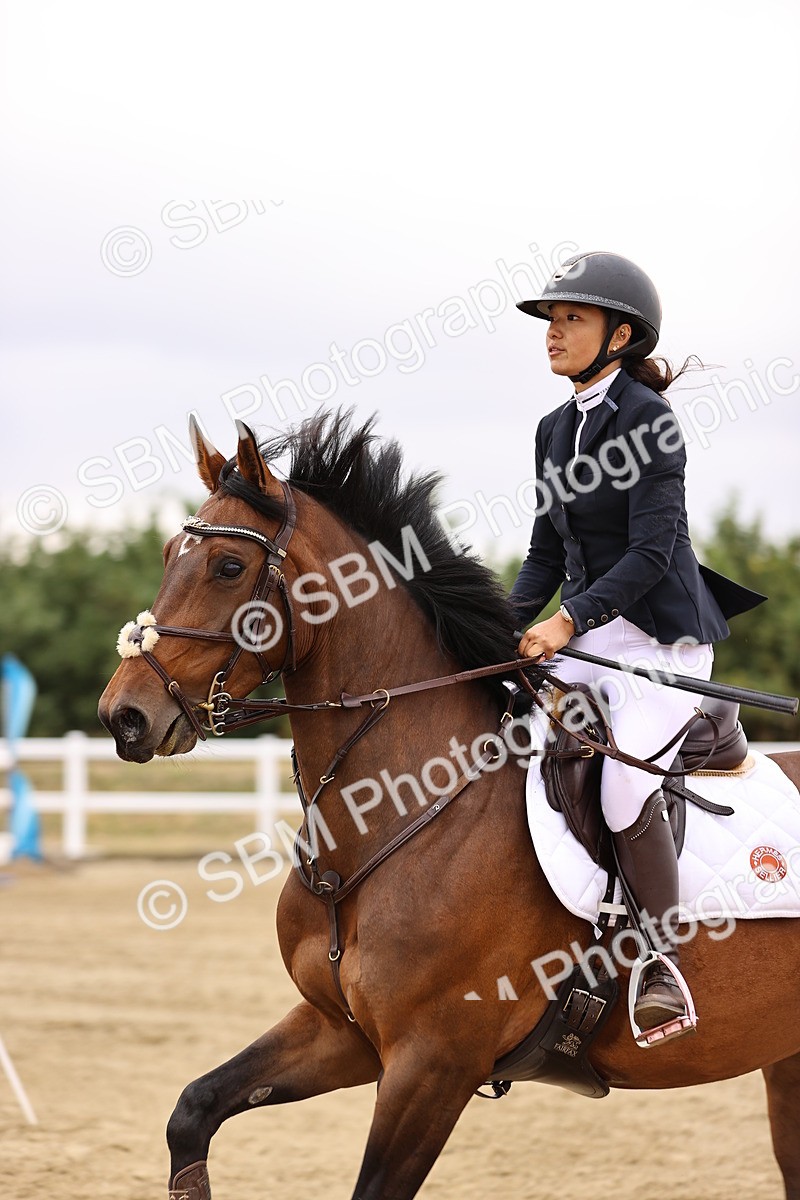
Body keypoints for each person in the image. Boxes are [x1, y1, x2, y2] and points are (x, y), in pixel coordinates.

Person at [510, 251, 765, 1037]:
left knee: (623, 784)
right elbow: (546, 554)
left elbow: (652, 551)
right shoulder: (554, 429)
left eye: (571, 319)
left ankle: (661, 962)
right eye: (551, 320)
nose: (553, 332)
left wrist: (566, 621)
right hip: (592, 628)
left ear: (620, 334)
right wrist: (498, 626)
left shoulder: (650, 421)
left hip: (664, 641)